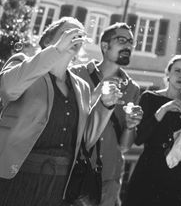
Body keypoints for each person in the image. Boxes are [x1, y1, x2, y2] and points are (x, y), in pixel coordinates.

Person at [0, 17, 120, 206]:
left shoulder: (81, 86)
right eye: (68, 33)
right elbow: (7, 88)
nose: (75, 38)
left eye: (79, 36)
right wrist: (56, 51)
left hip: (59, 187)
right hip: (16, 177)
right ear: (48, 40)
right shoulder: (22, 64)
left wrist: (104, 106)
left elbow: (85, 140)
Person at [71, 22, 143, 206]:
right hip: (75, 173)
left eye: (130, 42)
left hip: (109, 178)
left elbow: (125, 147)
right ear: (105, 46)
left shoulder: (132, 88)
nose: (128, 45)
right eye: (121, 40)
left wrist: (130, 125)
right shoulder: (77, 74)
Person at [124, 54, 181, 206]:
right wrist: (162, 111)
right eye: (177, 70)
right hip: (150, 169)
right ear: (168, 73)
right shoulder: (149, 98)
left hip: (179, 172)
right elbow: (139, 138)